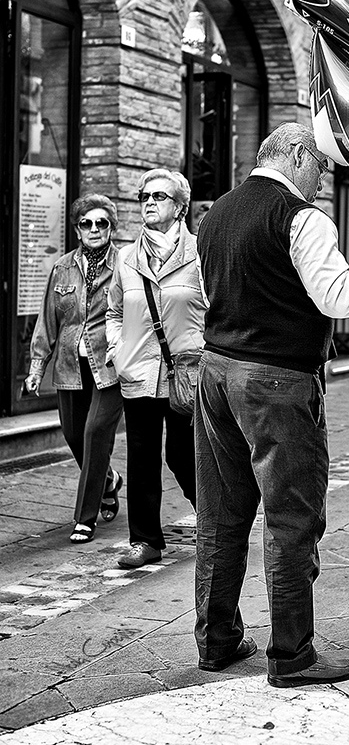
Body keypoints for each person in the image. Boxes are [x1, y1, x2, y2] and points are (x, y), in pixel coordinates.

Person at [194, 122, 349, 688]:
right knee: (292, 517)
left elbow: (209, 294)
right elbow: (338, 297)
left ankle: (217, 639)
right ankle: (292, 653)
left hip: (217, 374)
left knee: (221, 516)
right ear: (296, 154)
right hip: (276, 382)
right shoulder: (302, 217)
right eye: (319, 164)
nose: (323, 178)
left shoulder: (216, 213)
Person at [106, 169, 205, 569]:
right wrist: (118, 349)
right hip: (139, 372)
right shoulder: (127, 259)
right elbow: (114, 311)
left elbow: (216, 309)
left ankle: (217, 521)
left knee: (185, 456)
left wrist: (206, 353)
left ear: (180, 207)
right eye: (144, 196)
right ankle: (145, 540)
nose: (149, 202)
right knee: (141, 457)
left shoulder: (200, 253)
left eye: (159, 196)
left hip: (185, 373)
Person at [25, 194, 124, 544]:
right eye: (87, 223)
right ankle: (109, 480)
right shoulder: (62, 268)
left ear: (111, 227)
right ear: (77, 228)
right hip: (70, 364)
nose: (94, 229)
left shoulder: (124, 264)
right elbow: (48, 320)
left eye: (102, 223)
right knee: (73, 435)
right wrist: (37, 366)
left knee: (95, 433)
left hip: (109, 365)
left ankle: (85, 517)